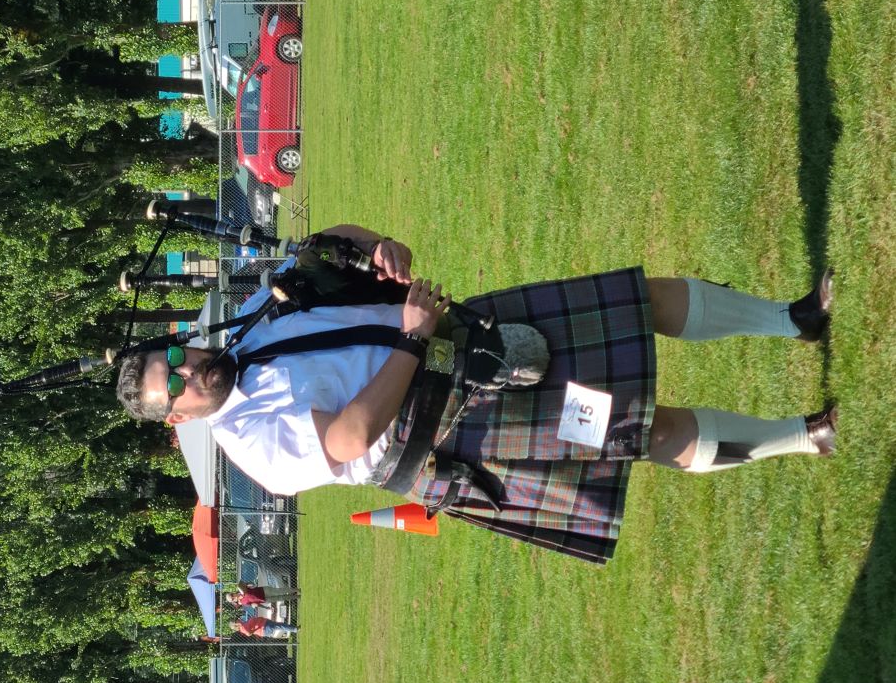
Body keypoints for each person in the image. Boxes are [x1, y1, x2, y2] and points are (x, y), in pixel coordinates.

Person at [116, 224, 836, 564]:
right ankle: (805, 436)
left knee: (630, 303)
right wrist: (409, 338)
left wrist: (373, 249)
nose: (187, 370)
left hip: (467, 336)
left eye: (174, 356)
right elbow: (349, 440)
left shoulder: (247, 329)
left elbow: (323, 250)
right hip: (466, 426)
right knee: (636, 431)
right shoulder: (253, 444)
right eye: (172, 385)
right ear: (175, 415)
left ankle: (792, 319)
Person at [225, 582, 300, 608]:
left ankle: (297, 590)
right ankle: (297, 596)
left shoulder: (241, 590)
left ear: (233, 593)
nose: (234, 597)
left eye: (232, 595)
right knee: (281, 598)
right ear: (233, 601)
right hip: (264, 600)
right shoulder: (243, 602)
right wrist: (263, 607)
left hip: (264, 591)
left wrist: (247, 585)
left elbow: (252, 584)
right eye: (232, 599)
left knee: (280, 591)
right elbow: (253, 604)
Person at [229, 615, 299, 639]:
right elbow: (249, 633)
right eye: (236, 620)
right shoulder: (243, 628)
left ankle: (294, 629)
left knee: (280, 625)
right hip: (264, 628)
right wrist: (256, 628)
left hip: (264, 624)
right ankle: (295, 629)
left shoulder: (243, 624)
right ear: (235, 624)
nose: (238, 619)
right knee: (280, 626)